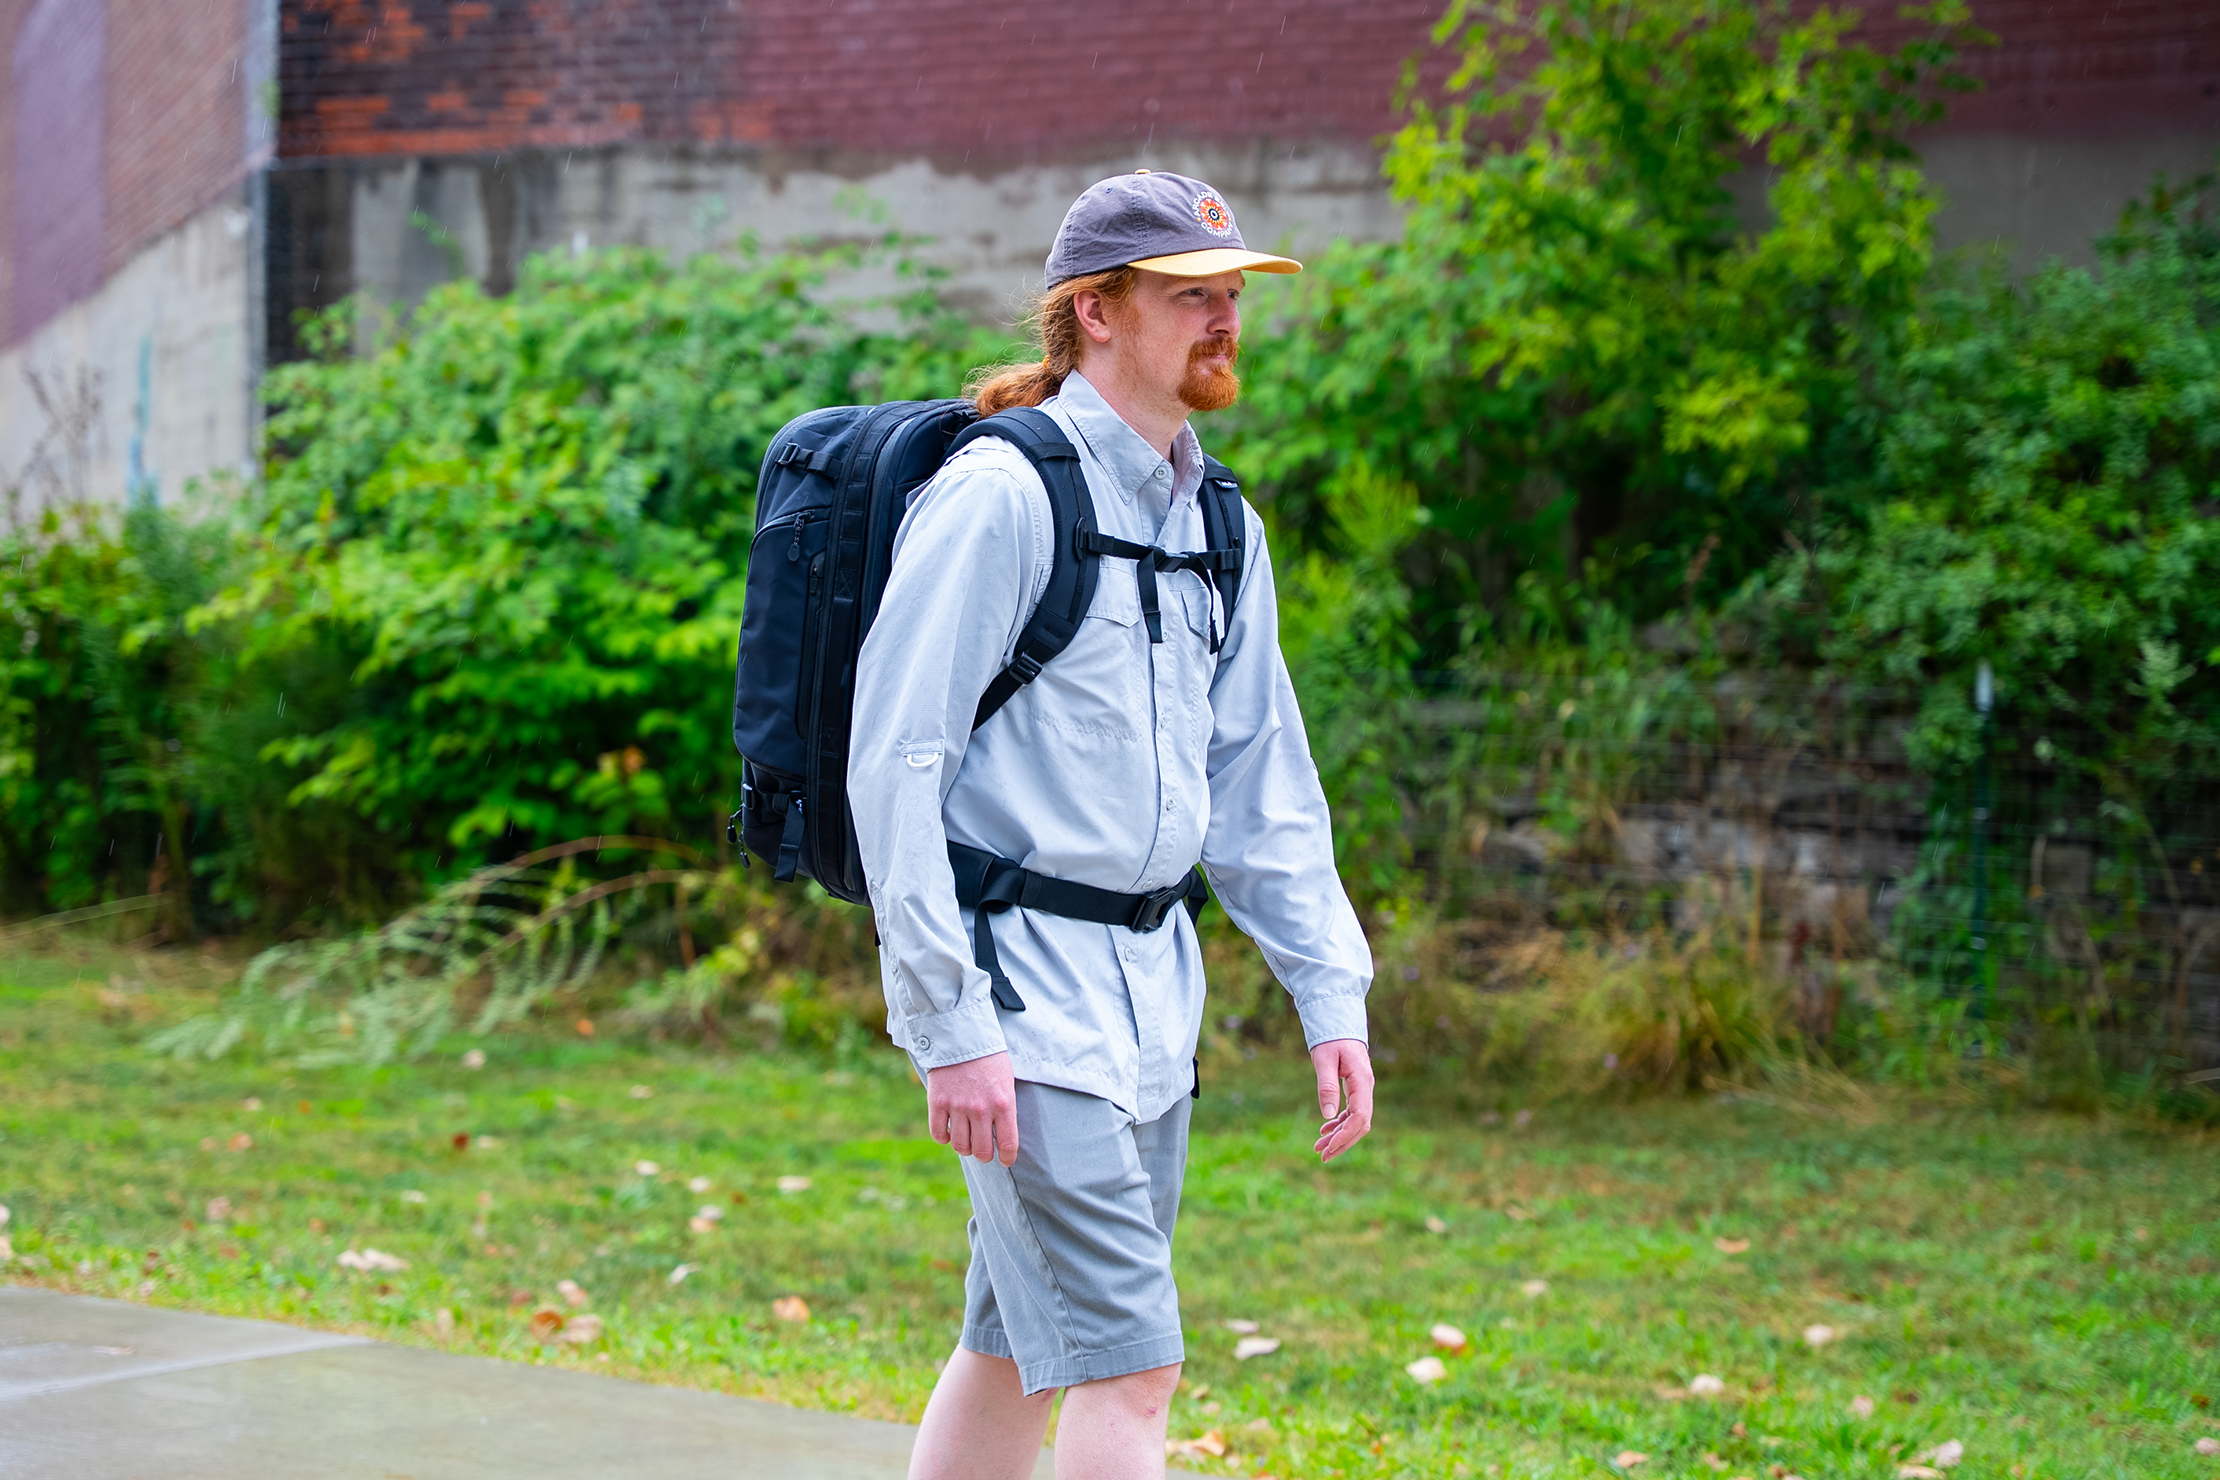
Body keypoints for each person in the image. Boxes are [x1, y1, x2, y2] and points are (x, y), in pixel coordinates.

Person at [849, 170, 1376, 1480]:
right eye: (1189, 295)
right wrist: (948, 1024)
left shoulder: (1218, 522)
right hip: (1021, 1003)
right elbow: (896, 765)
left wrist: (1329, 991)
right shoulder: (1001, 496)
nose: (1225, 318)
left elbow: (1261, 782)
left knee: (1015, 1345)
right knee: (1131, 1367)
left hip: (1153, 1006)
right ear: (1095, 310)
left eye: (1233, 292)